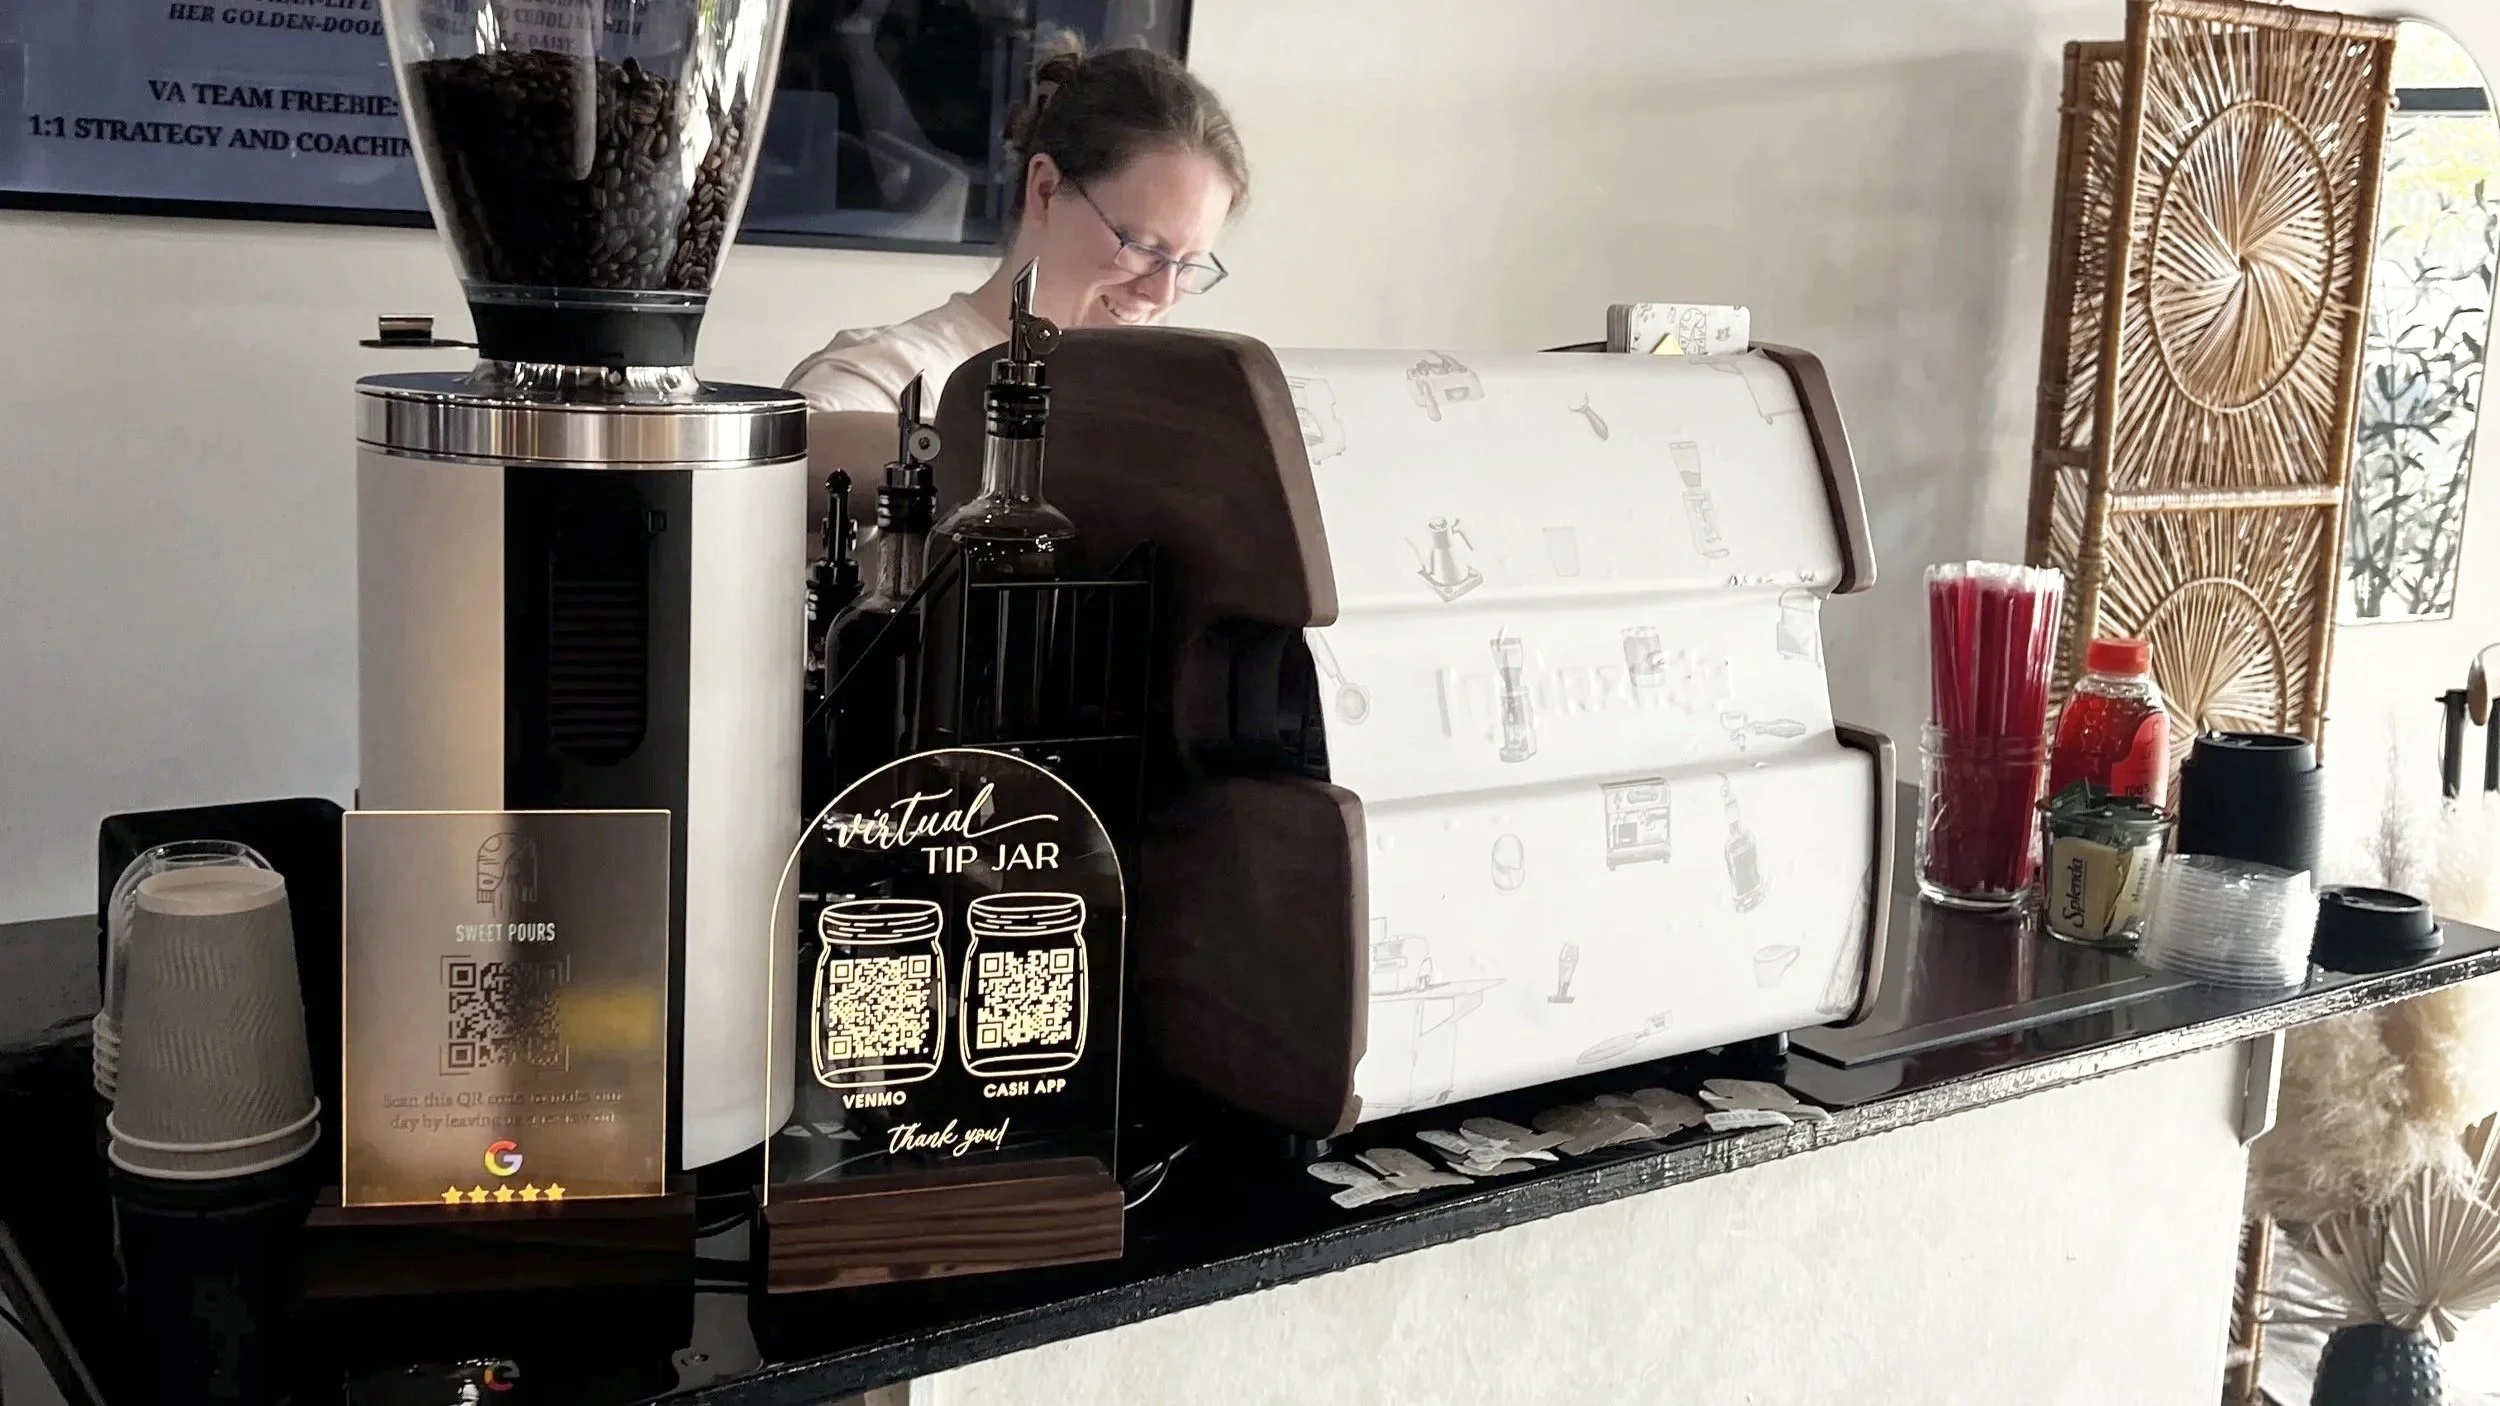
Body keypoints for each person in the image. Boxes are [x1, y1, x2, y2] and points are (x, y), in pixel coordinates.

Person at [785, 35, 1250, 520]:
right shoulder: (893, 371)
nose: (1163, 292)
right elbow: (782, 458)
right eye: (1141, 248)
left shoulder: (1158, 410)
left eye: (1188, 263)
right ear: (1046, 190)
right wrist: (1024, 454)